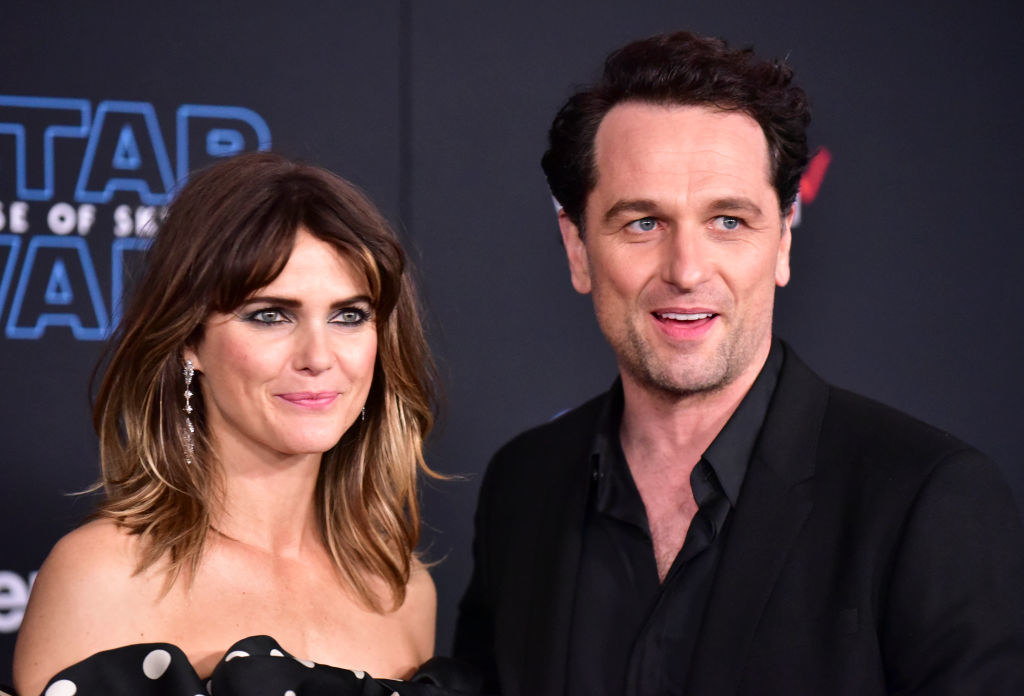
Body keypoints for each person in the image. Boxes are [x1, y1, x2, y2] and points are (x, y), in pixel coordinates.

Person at [453, 30, 1024, 695]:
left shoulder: (926, 499)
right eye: (643, 222)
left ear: (783, 241)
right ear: (578, 249)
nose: (687, 270)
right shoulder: (523, 487)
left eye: (728, 220)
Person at [13, 153, 465, 696]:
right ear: (188, 340)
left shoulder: (403, 590)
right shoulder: (103, 576)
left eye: (349, 315)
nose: (318, 356)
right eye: (270, 315)